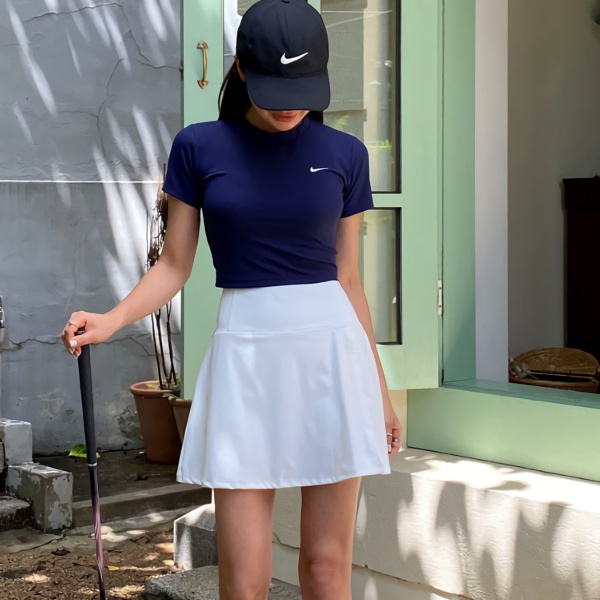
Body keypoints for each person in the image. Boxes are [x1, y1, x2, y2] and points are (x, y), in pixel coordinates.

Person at [62, 0, 401, 598]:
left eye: (301, 90)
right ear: (241, 68)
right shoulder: (199, 147)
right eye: (275, 89)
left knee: (327, 568)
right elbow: (175, 263)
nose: (290, 105)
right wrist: (111, 320)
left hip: (332, 356)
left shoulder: (346, 154)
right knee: (243, 582)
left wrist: (379, 390)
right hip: (247, 356)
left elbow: (348, 279)